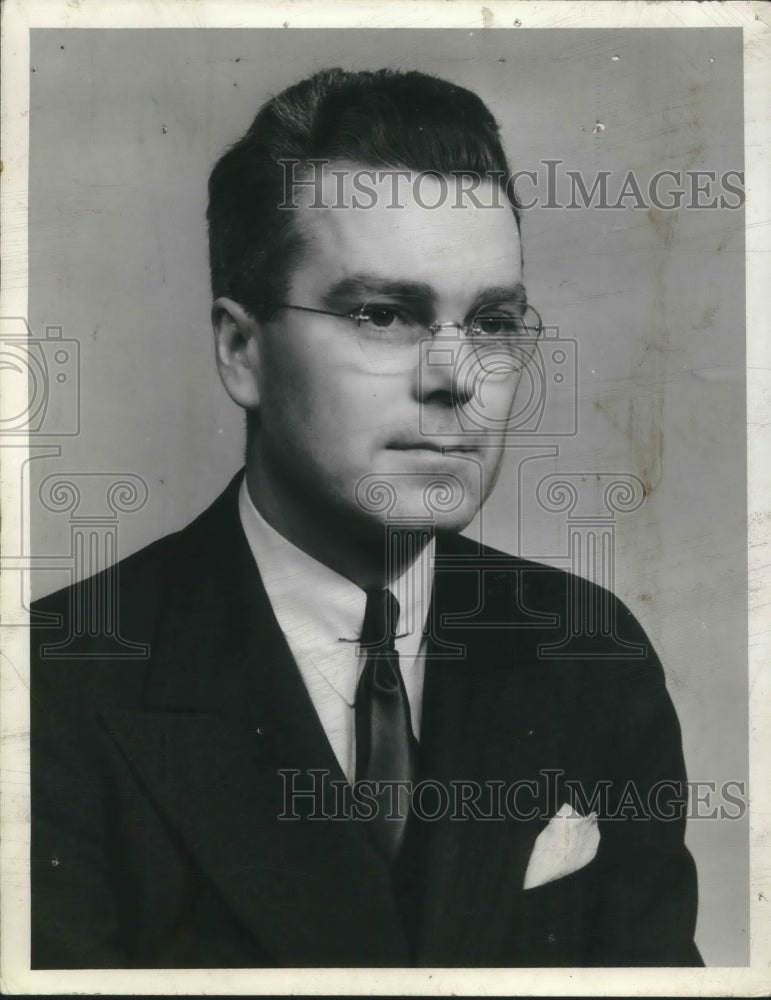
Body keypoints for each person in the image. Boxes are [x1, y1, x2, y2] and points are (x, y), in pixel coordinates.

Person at [30, 67, 701, 968]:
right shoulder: (51, 688)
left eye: (494, 322)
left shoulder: (589, 654)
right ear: (241, 350)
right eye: (384, 315)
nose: (455, 378)